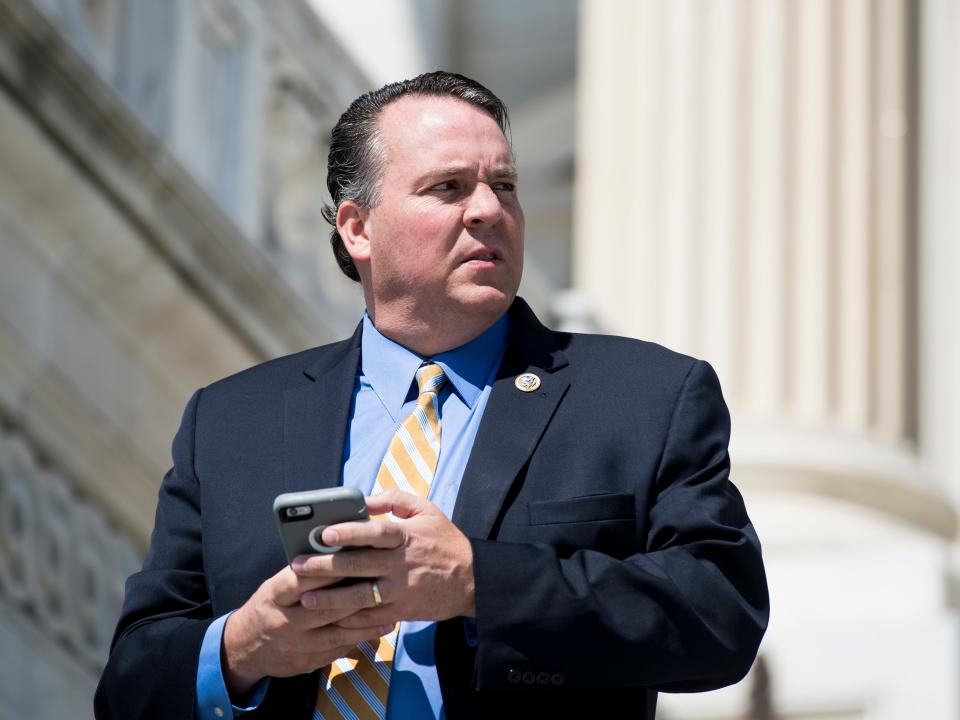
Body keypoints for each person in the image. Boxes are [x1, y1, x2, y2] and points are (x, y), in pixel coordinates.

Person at [95, 71, 768, 720]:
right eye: (448, 188)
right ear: (357, 229)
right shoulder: (231, 420)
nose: (488, 210)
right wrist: (244, 649)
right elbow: (130, 684)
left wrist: (478, 582)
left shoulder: (643, 397)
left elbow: (721, 613)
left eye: (504, 185)